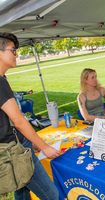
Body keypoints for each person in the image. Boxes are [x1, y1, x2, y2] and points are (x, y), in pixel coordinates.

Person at [0, 33, 60, 199]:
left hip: (11, 146)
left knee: (22, 190)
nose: (16, 55)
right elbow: (18, 120)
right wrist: (44, 146)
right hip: (14, 149)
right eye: (13, 50)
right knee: (51, 195)